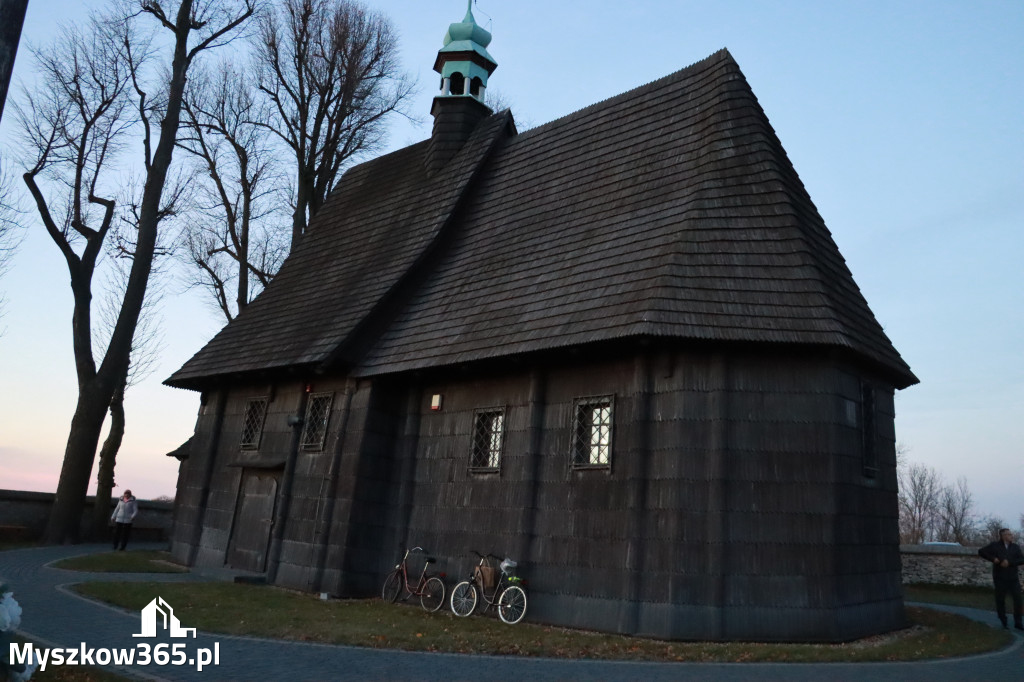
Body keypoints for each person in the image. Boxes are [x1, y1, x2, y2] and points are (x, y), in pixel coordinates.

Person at [978, 528, 1024, 630]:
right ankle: (1004, 620)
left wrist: (1010, 563)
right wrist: (993, 559)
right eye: (1008, 534)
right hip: (1000, 578)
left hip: (1013, 578)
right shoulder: (995, 546)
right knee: (1000, 600)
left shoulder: (1015, 547)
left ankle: (1018, 622)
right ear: (1003, 536)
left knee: (1018, 600)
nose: (1011, 536)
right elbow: (981, 551)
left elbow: (1021, 559)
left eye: (1011, 534)